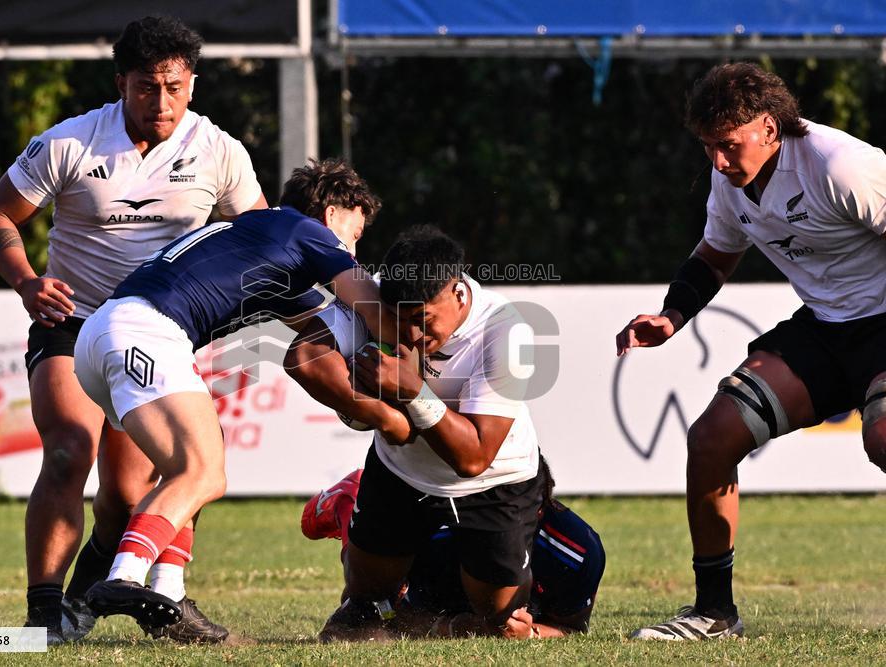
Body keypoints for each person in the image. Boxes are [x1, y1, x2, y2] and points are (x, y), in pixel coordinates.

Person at [0, 15, 268, 643]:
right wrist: (27, 282)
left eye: (174, 87)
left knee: (130, 494)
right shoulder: (70, 142)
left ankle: (90, 597)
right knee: (67, 451)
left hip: (156, 332)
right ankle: (43, 613)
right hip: (72, 322)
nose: (161, 102)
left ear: (192, 84)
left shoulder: (220, 151)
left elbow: (257, 239)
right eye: (145, 87)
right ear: (121, 84)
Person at [616, 62, 886, 641]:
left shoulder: (840, 165)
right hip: (825, 330)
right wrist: (671, 317)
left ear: (768, 126)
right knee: (711, 438)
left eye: (727, 145)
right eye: (708, 146)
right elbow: (715, 255)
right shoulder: (732, 179)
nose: (717, 161)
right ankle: (714, 614)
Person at [75, 159, 387, 639]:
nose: (354, 246)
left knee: (191, 467)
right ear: (331, 214)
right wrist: (408, 364)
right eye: (355, 231)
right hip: (147, 331)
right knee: (203, 472)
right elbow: (370, 305)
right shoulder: (306, 231)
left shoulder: (267, 238)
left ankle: (168, 594)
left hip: (104, 334)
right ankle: (124, 577)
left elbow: (320, 330)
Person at [283, 225, 546, 641]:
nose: (411, 336)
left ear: (458, 293)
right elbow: (304, 358)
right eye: (399, 320)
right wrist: (385, 417)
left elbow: (473, 458)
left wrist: (413, 392)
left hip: (495, 481)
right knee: (361, 610)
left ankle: (425, 598)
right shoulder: (375, 296)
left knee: (499, 620)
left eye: (423, 321)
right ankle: (357, 516)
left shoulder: (506, 331)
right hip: (401, 472)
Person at [301, 461, 605, 639]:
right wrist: (451, 626)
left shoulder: (578, 551)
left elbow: (572, 630)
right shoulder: (437, 529)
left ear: (541, 508)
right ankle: (350, 502)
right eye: (488, 507)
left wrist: (531, 633)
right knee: (366, 609)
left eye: (506, 511)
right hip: (425, 579)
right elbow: (390, 610)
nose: (493, 519)